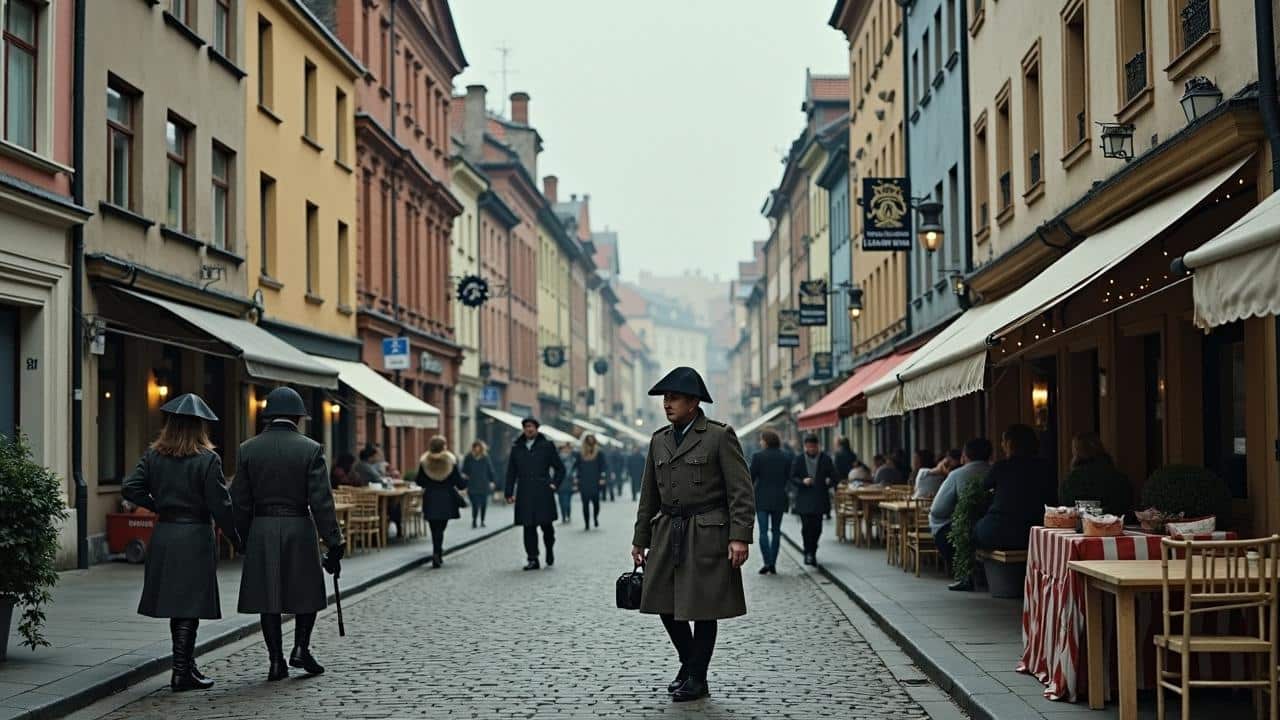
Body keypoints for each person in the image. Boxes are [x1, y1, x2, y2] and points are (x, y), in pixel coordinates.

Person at [631, 366, 755, 703]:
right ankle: (690, 663)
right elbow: (648, 495)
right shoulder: (659, 440)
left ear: (693, 402)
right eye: (665, 398)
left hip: (706, 533)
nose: (667, 404)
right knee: (662, 602)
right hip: (666, 531)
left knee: (703, 607)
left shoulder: (719, 436)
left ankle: (697, 678)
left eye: (674, 398)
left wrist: (740, 536)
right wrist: (640, 539)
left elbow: (741, 491)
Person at [121, 393, 242, 692]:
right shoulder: (208, 460)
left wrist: (158, 505)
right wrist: (237, 539)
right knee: (189, 606)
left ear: (171, 425)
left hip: (165, 535)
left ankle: (186, 666)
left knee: (179, 604)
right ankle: (181, 672)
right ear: (199, 427)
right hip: (195, 536)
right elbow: (221, 506)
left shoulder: (154, 456)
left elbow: (130, 487)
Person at [233, 387, 344, 681]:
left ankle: (275, 662)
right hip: (298, 526)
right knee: (307, 592)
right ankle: (300, 648)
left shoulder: (247, 449)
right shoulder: (311, 448)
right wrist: (334, 541)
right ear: (298, 417)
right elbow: (321, 502)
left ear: (267, 415)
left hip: (262, 527)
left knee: (268, 597)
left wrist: (240, 538)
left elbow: (239, 501)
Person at [973, 424, 1057, 552]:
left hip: (998, 531)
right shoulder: (1046, 467)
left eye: (1003, 441)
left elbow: (981, 490)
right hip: (1036, 531)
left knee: (975, 532)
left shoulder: (1001, 466)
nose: (1001, 445)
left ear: (1010, 443)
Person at [928, 438, 993, 591]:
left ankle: (965, 575)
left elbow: (937, 509)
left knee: (947, 533)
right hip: (992, 526)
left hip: (964, 530)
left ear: (965, 455)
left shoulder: (957, 474)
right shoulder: (994, 470)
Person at [505, 417, 566, 570]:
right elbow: (511, 472)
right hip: (525, 492)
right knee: (528, 527)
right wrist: (509, 492)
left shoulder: (547, 446)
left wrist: (554, 484)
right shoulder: (517, 447)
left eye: (531, 426)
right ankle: (533, 559)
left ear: (537, 428)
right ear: (523, 429)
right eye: (526, 427)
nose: (529, 429)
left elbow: (560, 468)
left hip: (543, 492)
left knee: (547, 527)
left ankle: (549, 549)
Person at [416, 436, 467, 568]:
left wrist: (429, 483)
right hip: (446, 498)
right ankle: (437, 552)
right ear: (443, 446)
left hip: (431, 497)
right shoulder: (450, 460)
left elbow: (419, 481)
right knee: (441, 527)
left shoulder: (424, 461)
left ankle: (436, 551)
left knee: (434, 527)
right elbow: (459, 482)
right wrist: (464, 482)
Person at [790, 433, 837, 566]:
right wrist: (802, 481)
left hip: (819, 498)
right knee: (806, 527)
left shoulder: (825, 459)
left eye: (813, 447)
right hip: (804, 499)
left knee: (817, 528)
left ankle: (813, 550)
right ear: (805, 446)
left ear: (818, 446)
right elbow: (792, 477)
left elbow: (834, 475)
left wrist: (829, 481)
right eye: (809, 447)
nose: (811, 449)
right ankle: (808, 553)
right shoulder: (799, 459)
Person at [750, 430, 790, 574]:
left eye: (761, 440)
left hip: (762, 498)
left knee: (763, 531)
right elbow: (789, 477)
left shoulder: (758, 456)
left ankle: (767, 561)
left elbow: (751, 477)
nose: (760, 442)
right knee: (776, 531)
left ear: (766, 441)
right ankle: (773, 562)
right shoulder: (785, 456)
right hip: (779, 497)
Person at [572, 434, 609, 530]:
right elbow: (576, 467)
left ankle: (595, 518)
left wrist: (602, 477)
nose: (590, 443)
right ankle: (587, 523)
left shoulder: (599, 452)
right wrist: (576, 478)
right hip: (584, 481)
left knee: (596, 503)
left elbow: (603, 466)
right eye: (588, 440)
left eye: (592, 440)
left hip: (595, 481)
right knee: (585, 504)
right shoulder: (580, 453)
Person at [462, 440, 496, 528]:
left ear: (481, 448)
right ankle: (474, 520)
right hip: (472, 484)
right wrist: (464, 481)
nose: (477, 449)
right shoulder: (468, 457)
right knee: (475, 504)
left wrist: (492, 481)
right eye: (475, 447)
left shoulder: (485, 457)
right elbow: (464, 470)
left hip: (483, 484)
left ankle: (482, 521)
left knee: (484, 504)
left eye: (478, 447)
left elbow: (490, 470)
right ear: (473, 448)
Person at [556, 442, 576, 524]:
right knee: (562, 501)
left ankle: (567, 515)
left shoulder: (573, 459)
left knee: (567, 500)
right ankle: (564, 516)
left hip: (568, 481)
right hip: (560, 481)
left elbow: (575, 470)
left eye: (568, 449)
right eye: (564, 449)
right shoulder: (557, 459)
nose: (566, 450)